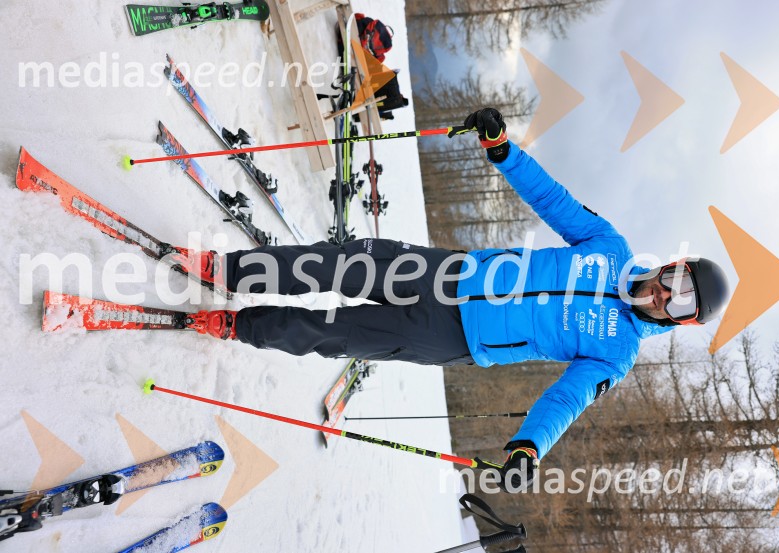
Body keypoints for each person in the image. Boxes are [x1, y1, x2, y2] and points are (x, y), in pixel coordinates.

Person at [175, 108, 730, 492]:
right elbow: (552, 199)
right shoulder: (609, 247)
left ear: (680, 321)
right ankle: (226, 271)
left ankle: (237, 325)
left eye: (680, 304)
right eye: (676, 280)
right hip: (450, 272)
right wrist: (503, 150)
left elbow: (567, 401)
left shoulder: (617, 354)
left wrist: (529, 449)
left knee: (334, 332)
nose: (664, 295)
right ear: (673, 264)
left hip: (454, 337)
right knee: (335, 263)